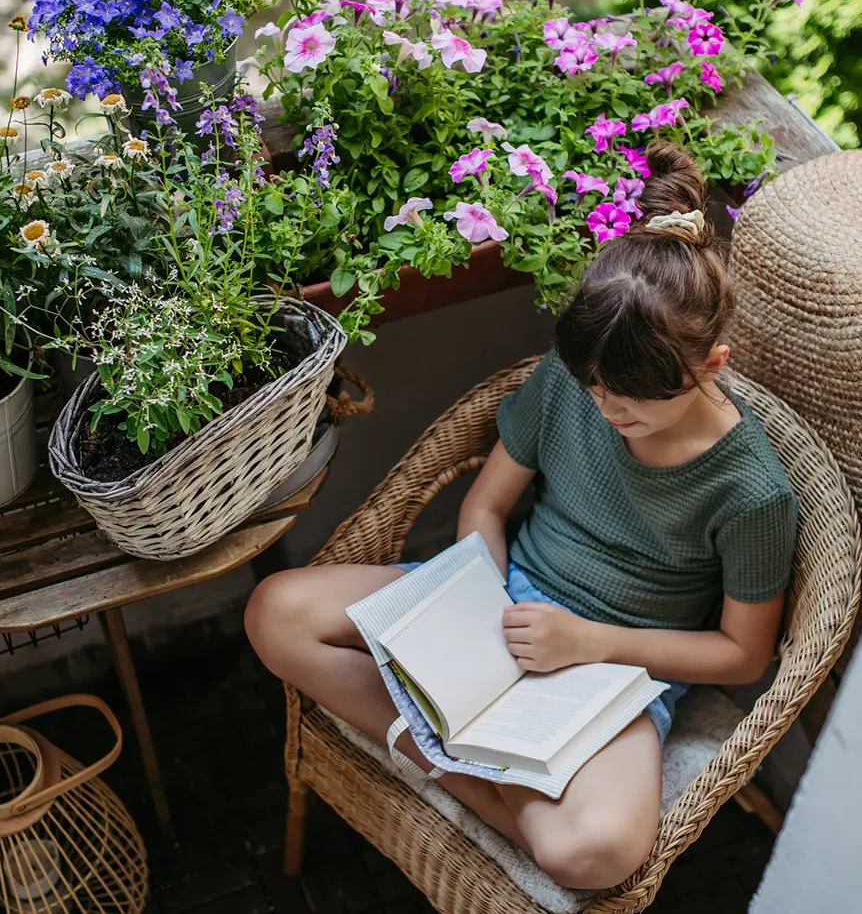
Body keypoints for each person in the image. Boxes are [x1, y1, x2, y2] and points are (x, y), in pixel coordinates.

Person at [245, 140, 798, 890]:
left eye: (633, 397)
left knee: (594, 852)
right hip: (499, 604)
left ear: (711, 366)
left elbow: (742, 655)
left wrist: (585, 641)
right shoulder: (576, 381)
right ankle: (474, 760)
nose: (608, 408)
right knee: (276, 611)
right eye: (596, 385)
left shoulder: (751, 490)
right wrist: (481, 594)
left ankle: (444, 757)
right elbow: (488, 501)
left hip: (614, 666)